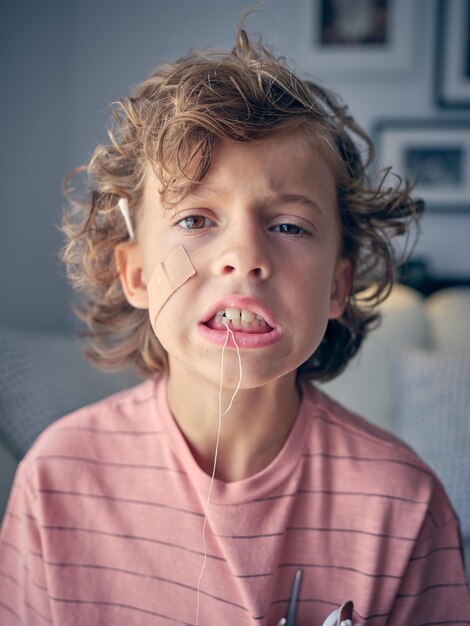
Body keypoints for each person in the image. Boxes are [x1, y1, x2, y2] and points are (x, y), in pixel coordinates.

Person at [0, 28, 469, 626]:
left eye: (290, 226)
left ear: (336, 286)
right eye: (196, 218)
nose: (244, 255)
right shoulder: (55, 480)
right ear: (137, 274)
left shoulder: (404, 505)